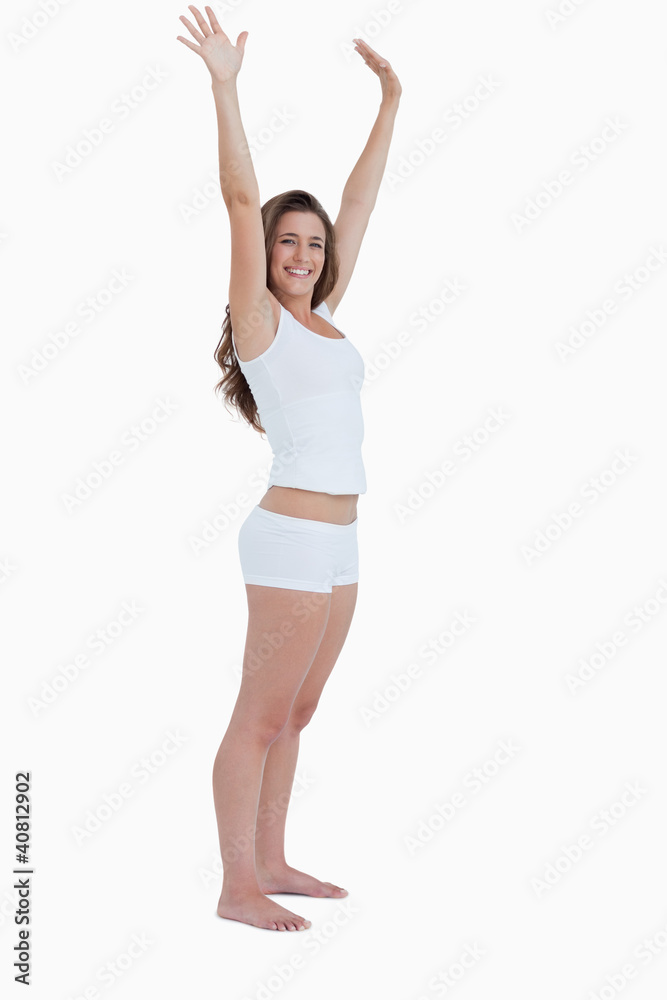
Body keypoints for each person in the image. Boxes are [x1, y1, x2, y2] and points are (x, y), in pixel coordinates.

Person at [177, 5, 401, 932]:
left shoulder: (321, 315)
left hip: (341, 543)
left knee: (298, 713)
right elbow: (238, 197)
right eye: (288, 242)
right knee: (258, 718)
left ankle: (272, 860)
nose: (304, 254)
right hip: (289, 541)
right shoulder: (263, 323)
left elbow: (358, 206)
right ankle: (235, 886)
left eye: (312, 246)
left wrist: (390, 102)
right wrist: (225, 87)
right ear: (265, 256)